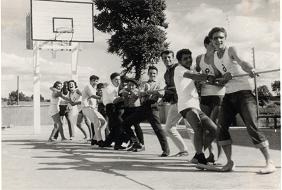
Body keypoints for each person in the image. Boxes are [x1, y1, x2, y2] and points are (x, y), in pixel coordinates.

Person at [208, 27, 276, 173]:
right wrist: (220, 79)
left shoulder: (231, 49)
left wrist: (250, 69)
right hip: (229, 95)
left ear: (225, 38)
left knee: (252, 126)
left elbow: (242, 62)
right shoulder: (214, 56)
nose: (218, 40)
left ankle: (269, 162)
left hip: (244, 93)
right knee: (220, 128)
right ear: (211, 41)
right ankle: (229, 162)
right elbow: (221, 80)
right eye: (215, 38)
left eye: (221, 37)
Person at [174, 48, 218, 164]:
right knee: (198, 128)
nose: (188, 60)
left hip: (195, 105)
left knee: (214, 130)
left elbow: (198, 74)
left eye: (189, 57)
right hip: (186, 105)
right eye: (185, 59)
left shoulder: (192, 68)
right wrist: (207, 77)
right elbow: (193, 76)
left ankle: (198, 155)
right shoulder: (178, 69)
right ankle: (201, 157)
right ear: (179, 61)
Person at [122, 66, 170, 156]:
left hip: (153, 107)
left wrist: (147, 92)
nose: (152, 75)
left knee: (158, 129)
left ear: (157, 74)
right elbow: (139, 94)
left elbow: (161, 94)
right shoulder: (144, 83)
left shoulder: (160, 82)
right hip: (143, 107)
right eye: (151, 73)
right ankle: (137, 143)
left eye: (154, 73)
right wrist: (151, 92)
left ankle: (166, 150)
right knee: (126, 123)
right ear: (148, 74)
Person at [195, 36, 225, 163]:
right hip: (205, 96)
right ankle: (211, 154)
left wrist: (210, 81)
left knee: (217, 127)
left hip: (219, 95)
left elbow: (223, 82)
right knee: (205, 127)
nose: (216, 46)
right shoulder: (199, 58)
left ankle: (220, 156)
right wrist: (199, 80)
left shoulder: (219, 58)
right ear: (206, 45)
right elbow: (196, 74)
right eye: (213, 44)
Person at [160, 50, 189, 157]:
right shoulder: (166, 74)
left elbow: (182, 85)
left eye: (168, 57)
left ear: (173, 58)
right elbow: (170, 89)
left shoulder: (178, 68)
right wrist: (165, 93)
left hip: (186, 101)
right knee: (169, 128)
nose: (166, 60)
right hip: (176, 103)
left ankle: (202, 154)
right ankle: (183, 150)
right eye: (164, 58)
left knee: (191, 128)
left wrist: (168, 89)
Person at [102, 72, 125, 150]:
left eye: (119, 79)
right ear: (111, 80)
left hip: (114, 108)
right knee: (120, 125)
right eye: (116, 80)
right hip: (111, 107)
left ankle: (107, 142)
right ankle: (117, 144)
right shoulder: (109, 88)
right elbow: (114, 100)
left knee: (116, 126)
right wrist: (124, 96)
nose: (118, 81)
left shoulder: (115, 88)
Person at [81, 75, 107, 146]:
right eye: (94, 81)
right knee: (97, 122)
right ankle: (100, 141)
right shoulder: (88, 86)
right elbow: (92, 95)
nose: (95, 82)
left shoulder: (94, 88)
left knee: (104, 122)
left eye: (96, 81)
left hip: (92, 108)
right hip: (86, 107)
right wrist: (103, 97)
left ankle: (95, 139)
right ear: (90, 81)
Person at [120, 78, 145, 151]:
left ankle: (141, 144)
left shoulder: (137, 91)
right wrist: (124, 92)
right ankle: (134, 143)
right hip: (127, 110)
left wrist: (132, 92)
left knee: (136, 126)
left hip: (135, 109)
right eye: (129, 85)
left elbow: (139, 95)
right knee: (124, 125)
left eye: (133, 85)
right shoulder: (125, 90)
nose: (131, 87)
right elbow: (121, 92)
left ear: (135, 86)